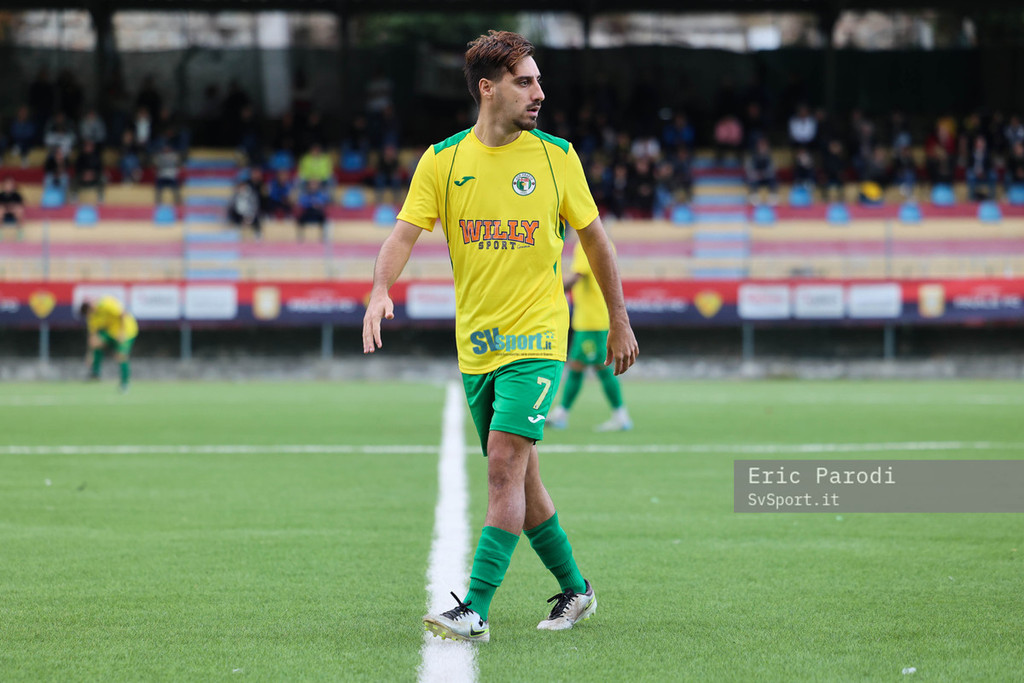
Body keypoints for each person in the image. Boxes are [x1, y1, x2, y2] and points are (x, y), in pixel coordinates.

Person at [362, 30, 638, 643]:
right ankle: (576, 589)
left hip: (538, 341)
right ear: (487, 89)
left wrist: (619, 320)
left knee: (503, 468)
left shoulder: (557, 157)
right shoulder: (443, 161)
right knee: (523, 480)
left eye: (539, 81)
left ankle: (475, 609)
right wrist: (380, 289)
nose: (540, 93)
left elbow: (597, 242)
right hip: (477, 350)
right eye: (525, 82)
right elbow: (403, 233)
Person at [547, 237, 633, 432]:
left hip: (592, 321)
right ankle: (562, 413)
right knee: (579, 367)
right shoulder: (604, 241)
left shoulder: (587, 243)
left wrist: (547, 288)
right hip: (592, 319)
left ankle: (620, 416)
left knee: (601, 367)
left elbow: (577, 277)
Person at [80, 296, 137, 392]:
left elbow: (122, 314)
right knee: (95, 342)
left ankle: (125, 383)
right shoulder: (91, 316)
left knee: (121, 356)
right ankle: (96, 373)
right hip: (111, 332)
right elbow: (92, 336)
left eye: (89, 308)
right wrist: (90, 354)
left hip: (127, 330)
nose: (89, 312)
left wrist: (122, 332)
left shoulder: (106, 303)